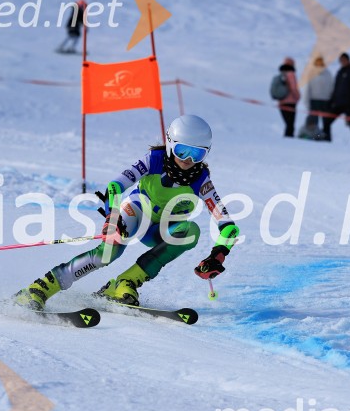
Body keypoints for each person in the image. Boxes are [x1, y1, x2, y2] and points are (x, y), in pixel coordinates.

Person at [13, 115, 240, 310]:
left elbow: (228, 225)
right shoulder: (154, 160)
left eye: (197, 154)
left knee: (190, 231)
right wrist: (112, 219)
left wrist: (218, 254)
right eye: (182, 151)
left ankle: (124, 283)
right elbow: (115, 186)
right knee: (109, 252)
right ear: (171, 144)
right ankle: (41, 287)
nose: (188, 160)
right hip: (137, 213)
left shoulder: (202, 181)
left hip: (161, 230)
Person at [323, 53, 350, 142]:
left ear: (348, 60)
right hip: (338, 103)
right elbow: (336, 88)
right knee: (327, 121)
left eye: (344, 60)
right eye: (341, 60)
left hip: (349, 104)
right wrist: (331, 101)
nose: (342, 62)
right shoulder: (340, 72)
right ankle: (326, 140)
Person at [298, 56, 333, 141]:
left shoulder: (328, 74)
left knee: (326, 123)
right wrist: (307, 102)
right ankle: (315, 138)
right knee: (314, 122)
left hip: (325, 101)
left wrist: (331, 102)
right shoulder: (314, 74)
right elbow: (307, 90)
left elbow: (332, 89)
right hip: (315, 101)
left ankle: (326, 139)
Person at [277, 57, 300, 138]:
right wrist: (298, 97)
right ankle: (289, 141)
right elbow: (293, 88)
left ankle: (287, 139)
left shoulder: (281, 74)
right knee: (290, 124)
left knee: (287, 123)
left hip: (281, 102)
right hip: (291, 102)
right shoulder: (291, 74)